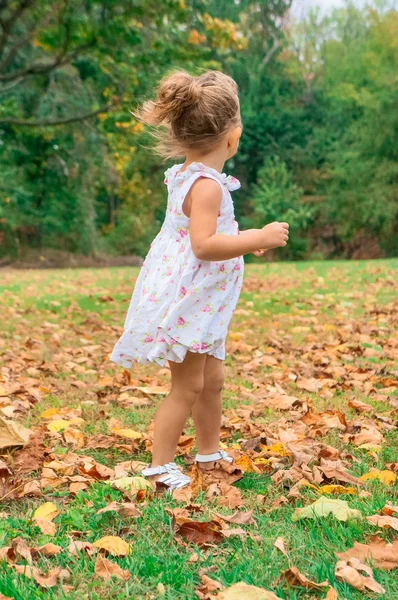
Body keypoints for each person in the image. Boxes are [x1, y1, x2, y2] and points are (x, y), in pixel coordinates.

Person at [110, 70, 289, 490]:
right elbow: (204, 246)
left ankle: (209, 453)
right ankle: (159, 467)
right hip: (192, 301)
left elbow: (209, 237)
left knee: (213, 382)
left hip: (207, 302)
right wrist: (257, 236)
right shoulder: (206, 185)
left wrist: (243, 241)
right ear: (233, 137)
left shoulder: (187, 173)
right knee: (187, 386)